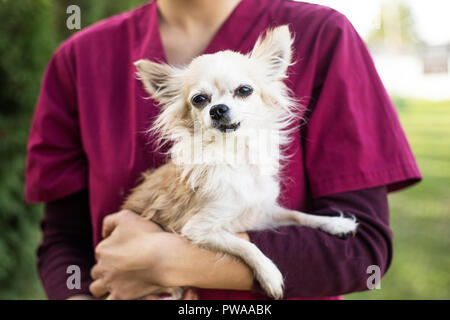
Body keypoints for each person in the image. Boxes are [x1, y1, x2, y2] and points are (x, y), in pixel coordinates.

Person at [26, 0, 422, 300]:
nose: (221, 105)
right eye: (201, 100)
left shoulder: (323, 33)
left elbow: (363, 250)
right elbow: (65, 239)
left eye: (242, 92)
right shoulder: (78, 59)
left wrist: (165, 260)